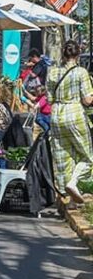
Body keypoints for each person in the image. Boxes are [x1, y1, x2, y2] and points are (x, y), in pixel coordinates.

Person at [47, 40, 93, 205]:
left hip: (57, 116)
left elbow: (50, 99)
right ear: (78, 54)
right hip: (74, 114)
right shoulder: (81, 72)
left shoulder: (52, 73)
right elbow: (87, 100)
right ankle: (73, 182)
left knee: (63, 158)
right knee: (88, 157)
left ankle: (68, 199)